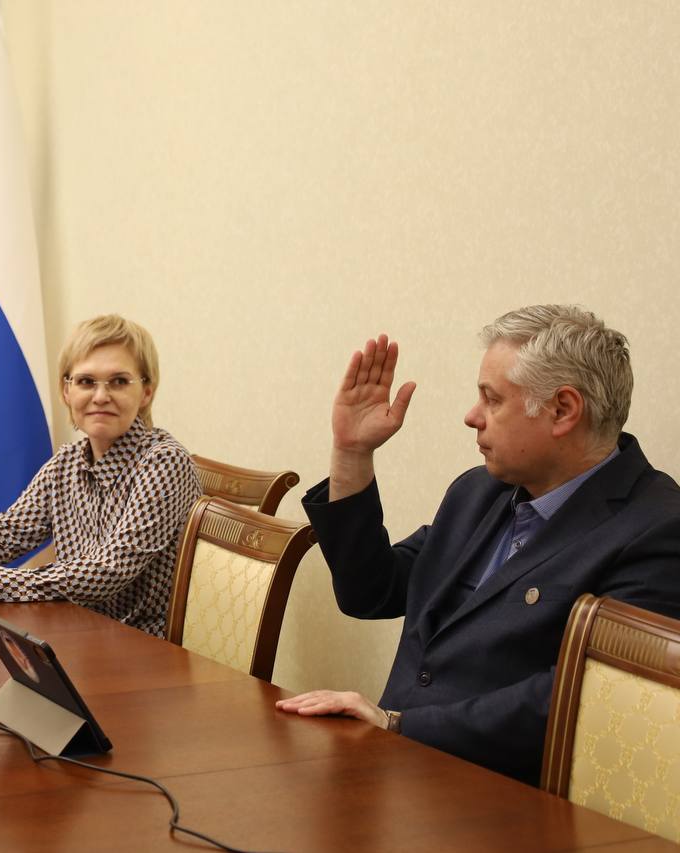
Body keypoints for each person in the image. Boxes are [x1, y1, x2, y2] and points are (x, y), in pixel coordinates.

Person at [275, 305, 680, 785]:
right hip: (398, 771)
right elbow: (370, 592)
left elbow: (592, 696)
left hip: (505, 798)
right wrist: (351, 453)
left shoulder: (657, 528)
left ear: (563, 410)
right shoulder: (479, 491)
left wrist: (401, 725)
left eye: (492, 400)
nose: (471, 417)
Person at [0, 314, 201, 638]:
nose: (101, 396)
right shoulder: (67, 463)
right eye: (86, 382)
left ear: (146, 393)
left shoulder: (165, 462)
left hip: (142, 649)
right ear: (66, 392)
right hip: (78, 636)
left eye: (118, 381)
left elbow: (109, 571)